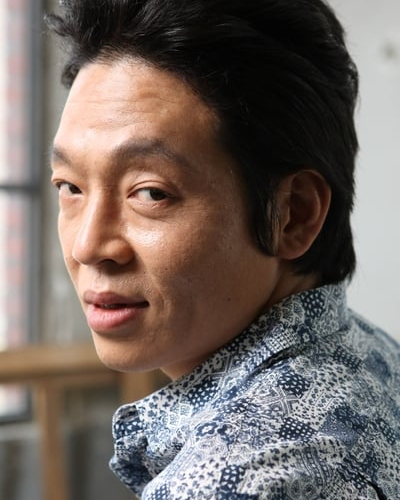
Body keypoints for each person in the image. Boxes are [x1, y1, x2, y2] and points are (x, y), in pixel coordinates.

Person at [46, 0, 400, 498]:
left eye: (151, 193)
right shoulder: (370, 354)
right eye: (70, 187)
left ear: (293, 213)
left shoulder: (230, 479)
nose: (88, 246)